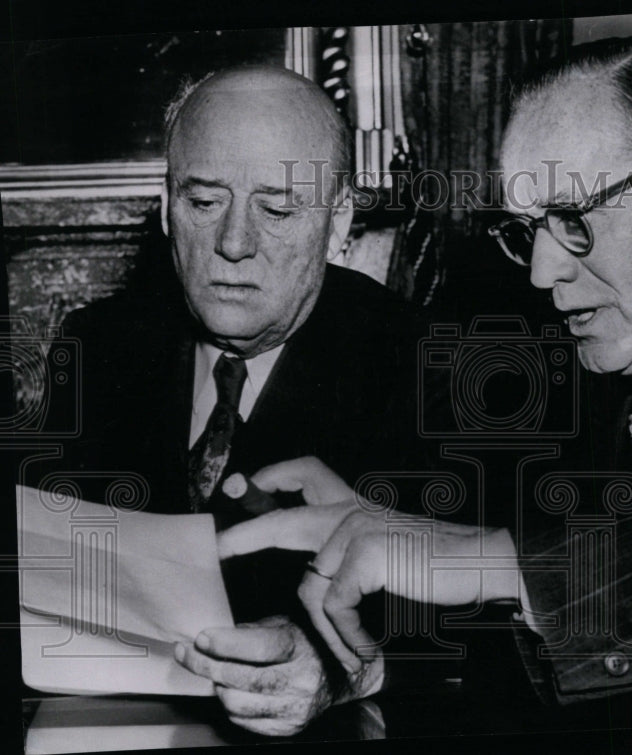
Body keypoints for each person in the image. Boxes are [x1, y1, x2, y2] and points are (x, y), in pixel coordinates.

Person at [202, 38, 632, 721]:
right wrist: (358, 672)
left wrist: (496, 560)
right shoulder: (614, 386)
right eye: (527, 231)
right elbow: (608, 642)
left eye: (572, 219)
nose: (542, 273)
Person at [32, 65, 438, 735]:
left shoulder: (422, 365)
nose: (234, 243)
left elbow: (482, 621)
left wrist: (340, 664)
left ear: (338, 222)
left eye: (276, 209)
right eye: (203, 202)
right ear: (164, 206)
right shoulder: (98, 345)